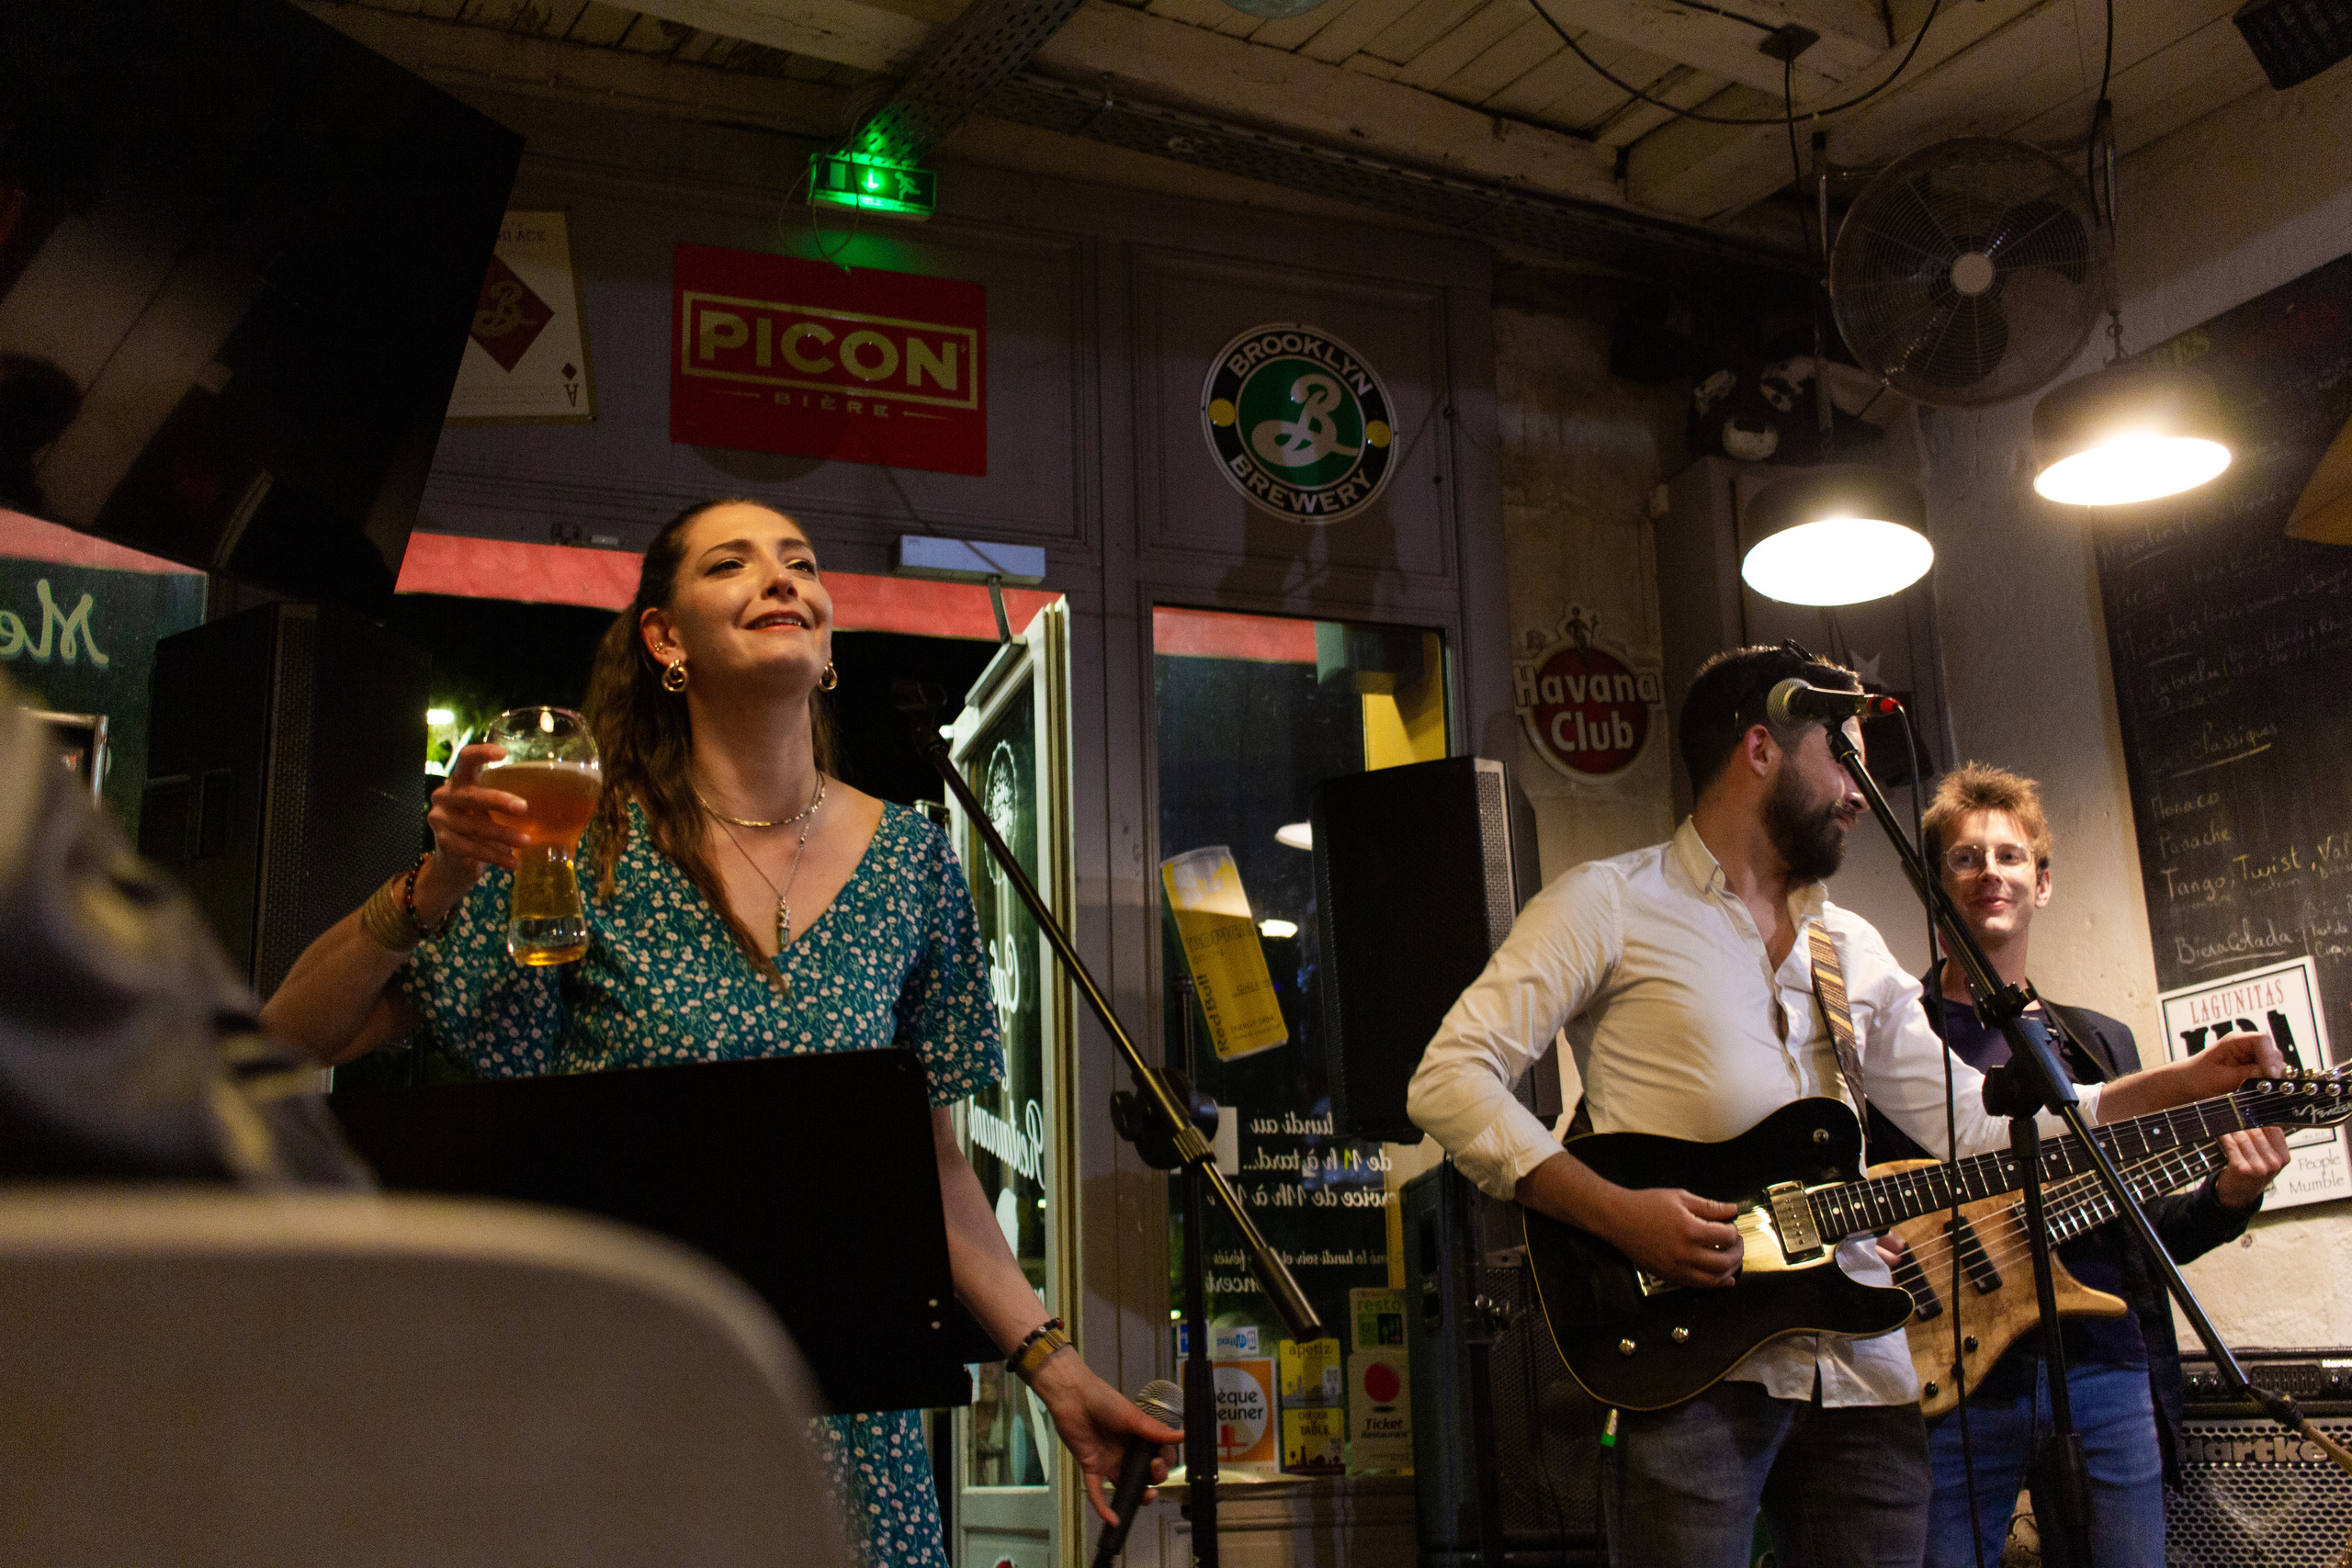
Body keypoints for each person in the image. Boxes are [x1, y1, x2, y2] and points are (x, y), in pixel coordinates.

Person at [262, 497, 1178, 1568]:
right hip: (629, 1408)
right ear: (664, 638)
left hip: (854, 1428)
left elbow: (934, 1173)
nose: (781, 578)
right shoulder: (583, 843)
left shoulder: (917, 864)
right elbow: (291, 1036)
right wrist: (445, 872)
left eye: (800, 562)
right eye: (732, 565)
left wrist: (1057, 1370)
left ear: (828, 634)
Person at [1404, 644, 2281, 1568]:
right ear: (1760, 749)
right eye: (1844, 757)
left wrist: (2184, 1083)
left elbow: (1976, 1125)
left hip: (1864, 1368)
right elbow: (1450, 1079)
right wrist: (1619, 1216)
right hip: (1695, 1360)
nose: (1862, 791)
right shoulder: (1608, 905)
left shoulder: (1848, 944)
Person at [1869, 762, 2288, 1568]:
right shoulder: (1893, 1040)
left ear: (2043, 881)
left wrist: (2232, 1195)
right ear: (1934, 883)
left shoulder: (2100, 1046)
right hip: (1946, 1376)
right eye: (1965, 856)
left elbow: (2142, 1231)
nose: (1991, 870)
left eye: (2010, 855)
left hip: (2104, 1372)